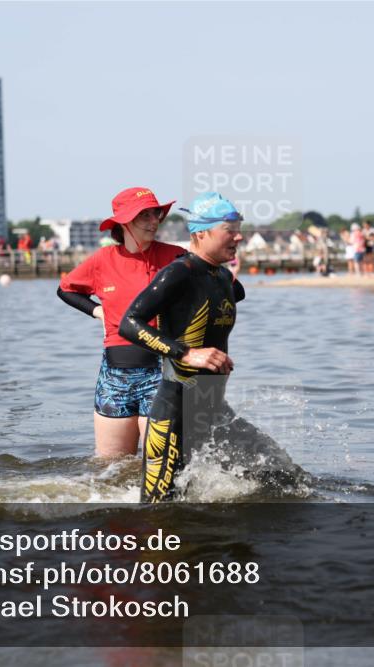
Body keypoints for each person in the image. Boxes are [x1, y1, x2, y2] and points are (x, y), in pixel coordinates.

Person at [119, 192, 245, 503]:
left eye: (239, 229)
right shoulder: (179, 272)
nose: (239, 237)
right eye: (229, 230)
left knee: (277, 477)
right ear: (201, 233)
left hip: (211, 406)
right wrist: (186, 353)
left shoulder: (223, 277)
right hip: (176, 410)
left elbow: (214, 304)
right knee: (159, 509)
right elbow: (129, 323)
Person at [56, 187, 182, 458]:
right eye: (144, 215)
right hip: (115, 378)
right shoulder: (103, 259)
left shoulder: (176, 257)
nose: (154, 221)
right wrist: (97, 311)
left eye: (156, 214)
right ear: (124, 222)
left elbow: (226, 289)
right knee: (110, 469)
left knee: (160, 466)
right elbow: (66, 289)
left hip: (161, 374)